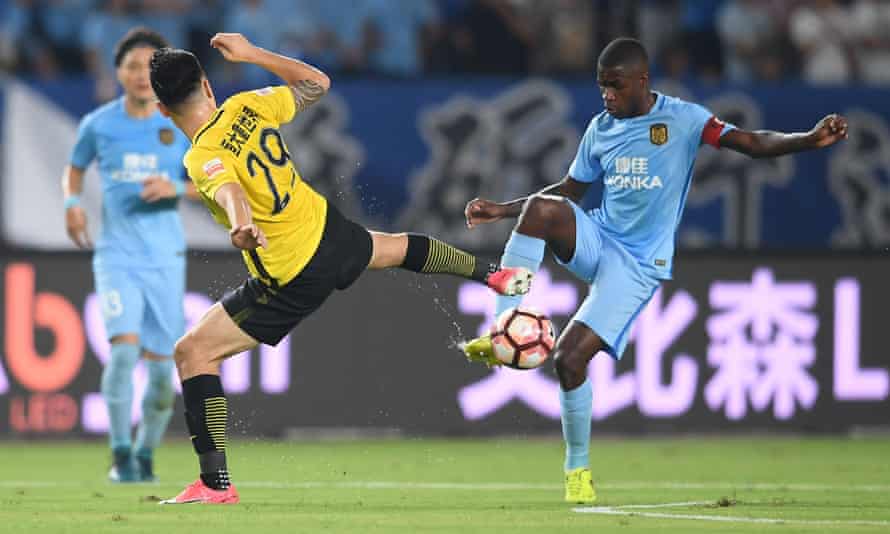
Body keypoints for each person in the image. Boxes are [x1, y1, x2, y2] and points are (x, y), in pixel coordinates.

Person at [461, 37, 848, 504]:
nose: (607, 95)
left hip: (638, 264)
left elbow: (749, 143)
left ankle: (576, 469)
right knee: (544, 210)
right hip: (598, 238)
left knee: (567, 360)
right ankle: (504, 328)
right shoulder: (601, 128)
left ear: (642, 81)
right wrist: (503, 210)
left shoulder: (684, 119)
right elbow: (570, 190)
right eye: (602, 86)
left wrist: (807, 139)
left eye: (615, 86)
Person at [148, 32, 531, 504]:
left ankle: (215, 484)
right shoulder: (248, 105)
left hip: (291, 272)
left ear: (163, 110)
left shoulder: (200, 154)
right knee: (391, 248)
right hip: (326, 229)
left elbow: (229, 190)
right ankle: (492, 274)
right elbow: (316, 84)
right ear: (207, 84)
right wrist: (250, 54)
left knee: (192, 354)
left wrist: (242, 225)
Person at [62, 27, 196, 483]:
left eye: (151, 66)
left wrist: (175, 187)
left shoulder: (178, 125)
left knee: (162, 379)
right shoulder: (98, 124)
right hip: (116, 255)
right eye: (133, 65)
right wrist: (71, 204)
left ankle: (144, 455)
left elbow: (216, 181)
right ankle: (120, 456)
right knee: (122, 356)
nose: (142, 74)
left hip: (165, 259)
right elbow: (74, 168)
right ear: (117, 71)